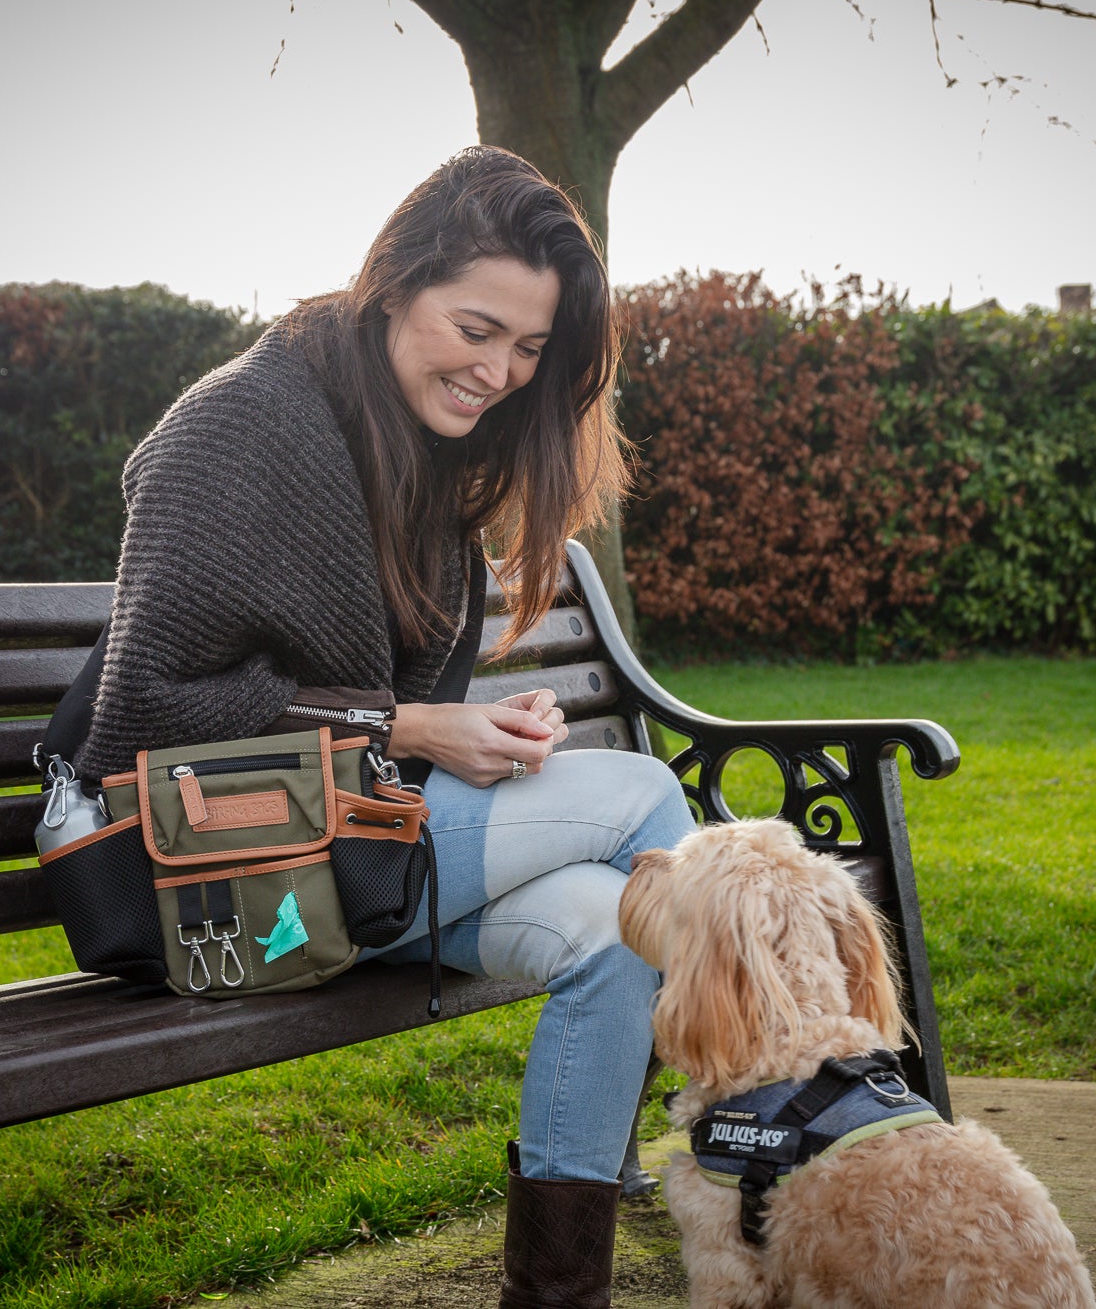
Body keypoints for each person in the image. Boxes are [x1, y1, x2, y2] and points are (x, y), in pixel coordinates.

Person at [73, 146, 694, 1309]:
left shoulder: (413, 448)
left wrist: (452, 725)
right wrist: (412, 724)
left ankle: (558, 1294)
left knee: (614, 936)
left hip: (348, 860)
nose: (500, 370)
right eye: (477, 328)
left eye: (525, 350)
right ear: (394, 283)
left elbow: (381, 708)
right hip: (226, 890)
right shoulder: (239, 427)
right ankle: (777, 1101)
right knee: (644, 801)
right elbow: (140, 713)